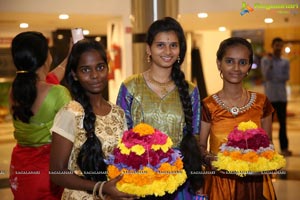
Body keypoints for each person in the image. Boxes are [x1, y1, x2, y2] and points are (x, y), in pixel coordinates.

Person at [116, 16, 204, 199]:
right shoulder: (131, 86)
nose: (168, 51)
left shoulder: (190, 90)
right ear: (148, 49)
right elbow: (121, 135)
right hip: (140, 178)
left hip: (180, 179)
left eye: (173, 45)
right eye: (160, 45)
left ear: (180, 49)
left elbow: (194, 137)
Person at [49, 39, 137, 200]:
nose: (95, 75)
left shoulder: (118, 113)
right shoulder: (70, 113)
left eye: (100, 67)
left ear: (107, 68)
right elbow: (56, 173)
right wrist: (101, 188)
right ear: (75, 75)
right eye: (85, 70)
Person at [199, 37, 277, 199]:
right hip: (219, 184)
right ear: (219, 63)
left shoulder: (262, 103)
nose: (236, 68)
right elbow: (200, 145)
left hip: (253, 183)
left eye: (242, 62)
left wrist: (268, 158)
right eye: (229, 61)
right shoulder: (208, 105)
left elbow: (268, 142)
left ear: (249, 66)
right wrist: (209, 158)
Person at [9, 31, 71, 199]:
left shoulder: (15, 90)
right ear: (46, 57)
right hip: (49, 171)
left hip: (20, 169)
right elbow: (75, 133)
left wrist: (70, 56)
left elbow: (51, 77)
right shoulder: (57, 93)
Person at [261, 37, 291, 157]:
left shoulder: (285, 62)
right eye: (276, 45)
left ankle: (284, 148)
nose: (278, 48)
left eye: (280, 45)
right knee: (267, 124)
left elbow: (286, 77)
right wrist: (272, 62)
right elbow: (266, 76)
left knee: (283, 124)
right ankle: (266, 149)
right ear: (272, 46)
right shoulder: (265, 60)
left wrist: (275, 77)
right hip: (270, 97)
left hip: (282, 97)